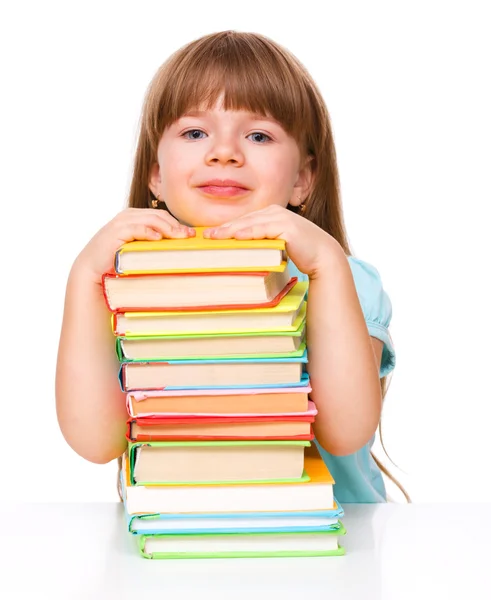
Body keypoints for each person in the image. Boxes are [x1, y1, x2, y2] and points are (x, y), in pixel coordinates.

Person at [56, 30, 410, 503]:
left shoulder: (342, 279)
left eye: (259, 135)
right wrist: (84, 279)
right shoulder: (126, 287)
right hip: (183, 542)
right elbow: (97, 443)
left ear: (303, 179)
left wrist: (325, 262)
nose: (224, 152)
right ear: (156, 175)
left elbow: (343, 433)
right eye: (195, 132)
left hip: (333, 554)